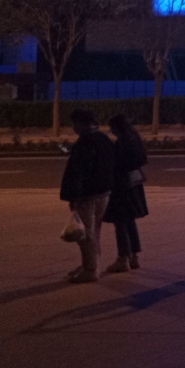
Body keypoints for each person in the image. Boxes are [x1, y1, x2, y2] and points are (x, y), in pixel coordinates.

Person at [59, 109, 116, 283]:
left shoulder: (85, 143)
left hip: (87, 196)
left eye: (75, 123)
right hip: (104, 192)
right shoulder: (103, 139)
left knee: (85, 235)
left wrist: (74, 196)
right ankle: (90, 265)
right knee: (94, 231)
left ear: (83, 123)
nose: (74, 127)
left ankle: (90, 269)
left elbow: (79, 173)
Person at [102, 114, 149, 273]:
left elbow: (116, 164)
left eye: (112, 128)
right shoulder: (135, 139)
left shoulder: (122, 142)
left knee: (120, 222)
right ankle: (134, 257)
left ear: (117, 128)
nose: (111, 131)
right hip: (133, 185)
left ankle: (123, 258)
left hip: (121, 186)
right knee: (130, 221)